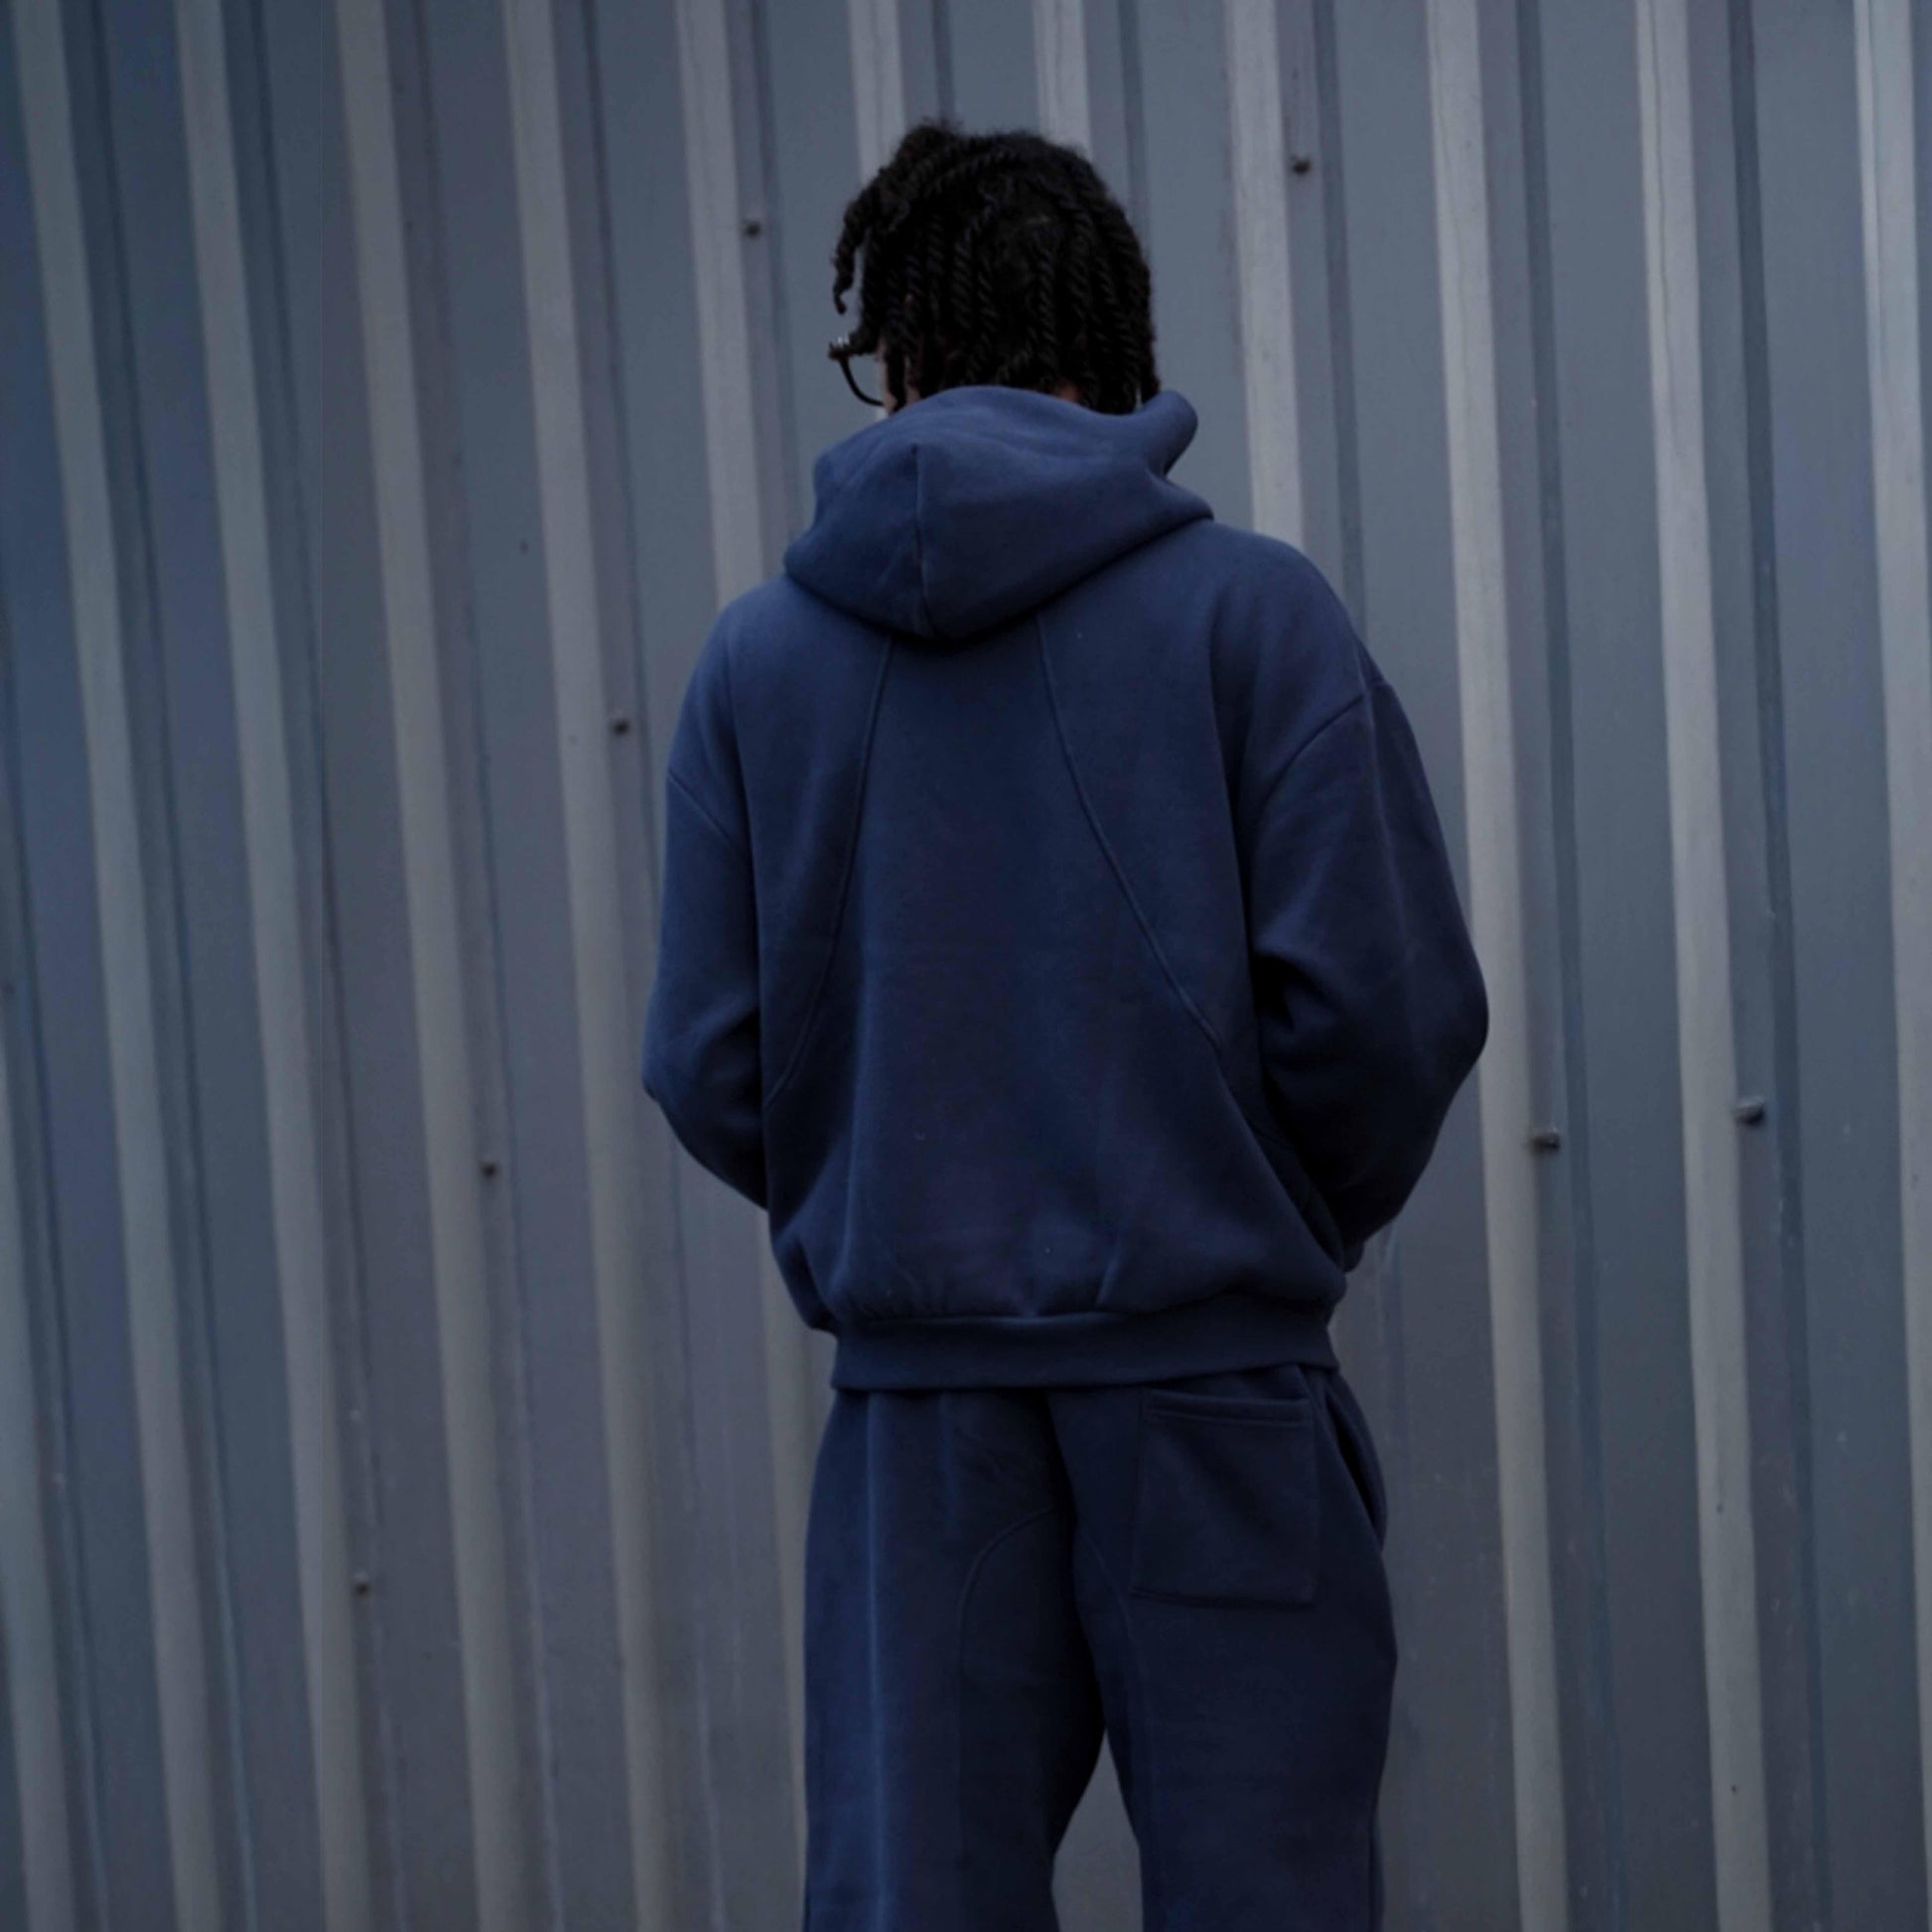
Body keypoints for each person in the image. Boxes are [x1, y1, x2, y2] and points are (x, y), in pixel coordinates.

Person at [641, 115, 1489, 1932]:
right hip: (1215, 1398)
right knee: (1267, 1901)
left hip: (916, 1426)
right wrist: (1247, 1220)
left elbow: (710, 1061)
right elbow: (1385, 1013)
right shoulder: (1253, 617)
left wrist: (900, 1204)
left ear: (897, 348)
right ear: (1111, 352)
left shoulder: (757, 662)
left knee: (912, 1901)